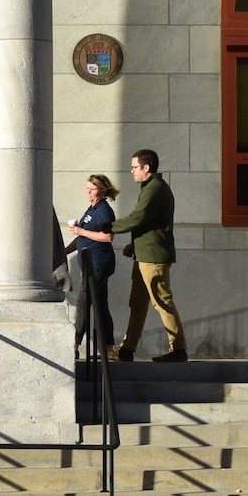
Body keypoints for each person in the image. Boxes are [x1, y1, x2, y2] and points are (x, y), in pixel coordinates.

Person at [75, 149, 186, 363]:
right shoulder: (150, 188)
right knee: (137, 303)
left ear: (147, 167)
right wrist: (134, 244)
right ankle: (127, 350)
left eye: (135, 167)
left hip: (153, 256)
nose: (132, 171)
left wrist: (111, 227)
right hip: (144, 254)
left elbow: (139, 217)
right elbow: (148, 222)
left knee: (161, 302)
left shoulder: (155, 188)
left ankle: (178, 348)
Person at [63, 174, 119, 359]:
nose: (88, 192)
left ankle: (75, 343)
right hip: (90, 265)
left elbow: (108, 237)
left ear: (102, 190)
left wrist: (81, 231)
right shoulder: (91, 210)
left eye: (92, 189)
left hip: (98, 264)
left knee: (83, 302)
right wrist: (65, 251)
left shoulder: (103, 210)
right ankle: (109, 348)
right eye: (87, 188)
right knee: (101, 305)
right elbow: (82, 237)